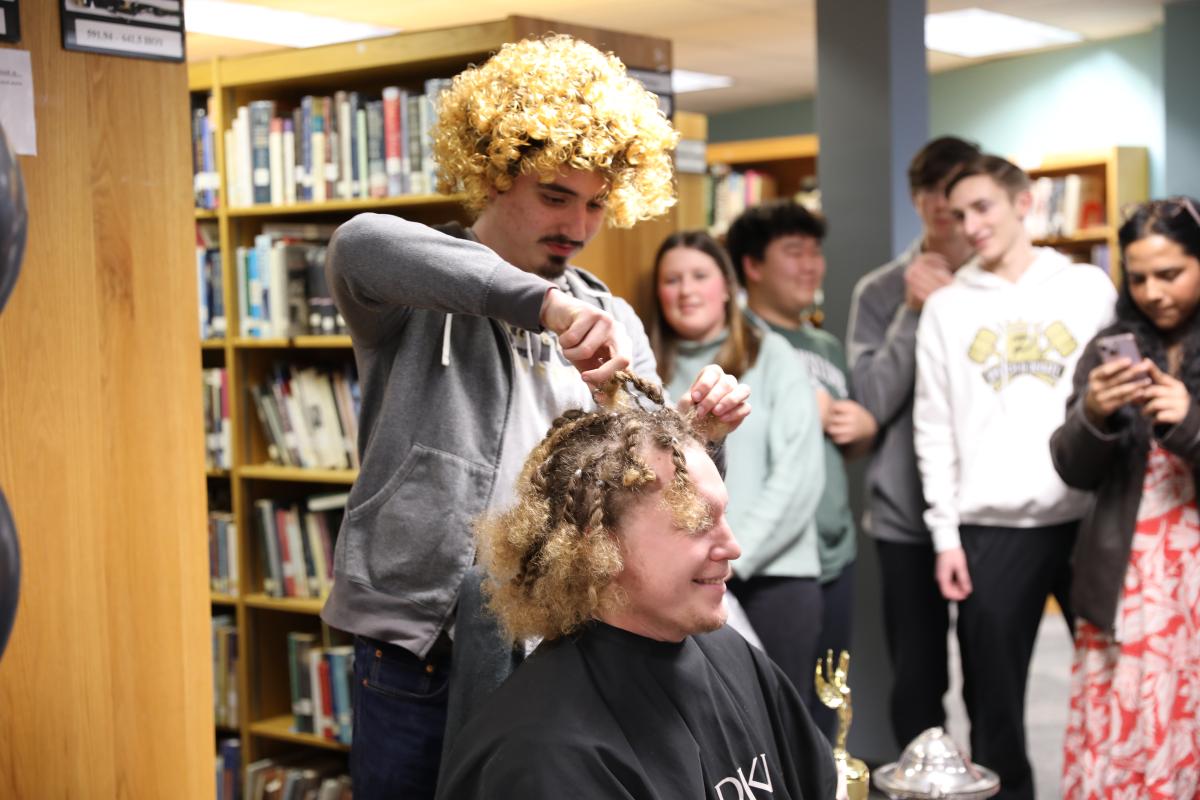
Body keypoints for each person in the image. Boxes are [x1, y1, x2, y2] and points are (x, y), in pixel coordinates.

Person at [320, 35, 750, 799]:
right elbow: (360, 243)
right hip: (421, 647)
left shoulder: (612, 314)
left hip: (566, 640)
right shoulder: (412, 294)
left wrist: (698, 430)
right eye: (555, 196)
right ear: (494, 175)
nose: (578, 225)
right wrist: (542, 305)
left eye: (594, 204)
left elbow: (647, 471)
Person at [436, 373, 839, 800]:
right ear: (600, 543)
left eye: (723, 516)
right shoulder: (540, 755)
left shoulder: (731, 654)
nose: (733, 547)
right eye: (698, 524)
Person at [914, 154, 1116, 799]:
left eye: (984, 208)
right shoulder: (945, 308)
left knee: (1118, 684)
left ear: (1024, 203)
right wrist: (945, 534)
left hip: (1089, 518)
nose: (972, 225)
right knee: (994, 708)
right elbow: (934, 425)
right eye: (960, 214)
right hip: (990, 528)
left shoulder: (1087, 287)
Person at [1052, 197, 1200, 798]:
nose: (1152, 291)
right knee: (1127, 719)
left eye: (1170, 273)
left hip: (1191, 574)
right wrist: (1094, 412)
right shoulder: (1111, 342)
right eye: (1137, 277)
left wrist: (1189, 422)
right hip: (1127, 574)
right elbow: (1070, 467)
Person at [650, 229, 825, 706]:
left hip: (775, 578)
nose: (686, 290)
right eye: (672, 280)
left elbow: (798, 477)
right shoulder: (647, 375)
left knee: (782, 729)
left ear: (727, 286)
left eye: (699, 276)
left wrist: (730, 555)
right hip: (682, 582)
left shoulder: (773, 357)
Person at [845, 135, 980, 747]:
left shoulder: (995, 286)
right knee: (918, 682)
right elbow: (871, 399)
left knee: (990, 678)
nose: (952, 210)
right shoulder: (879, 291)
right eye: (937, 196)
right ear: (921, 202)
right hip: (906, 518)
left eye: (963, 195)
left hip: (986, 510)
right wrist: (913, 310)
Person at [725, 200, 875, 735]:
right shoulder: (739, 342)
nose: (811, 265)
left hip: (837, 552)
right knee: (771, 716)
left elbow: (835, 444)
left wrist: (863, 430)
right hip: (775, 560)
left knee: (828, 702)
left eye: (816, 253)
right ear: (753, 266)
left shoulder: (827, 345)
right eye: (794, 252)